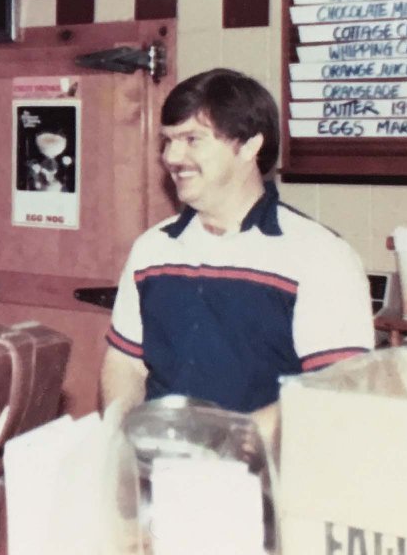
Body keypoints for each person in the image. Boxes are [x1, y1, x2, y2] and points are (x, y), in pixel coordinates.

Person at [100, 68, 371, 418]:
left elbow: (334, 390)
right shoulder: (152, 249)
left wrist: (232, 443)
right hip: (160, 462)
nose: (171, 156)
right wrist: (122, 435)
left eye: (192, 140)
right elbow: (127, 363)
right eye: (168, 140)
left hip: (265, 467)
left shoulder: (320, 255)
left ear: (249, 146)